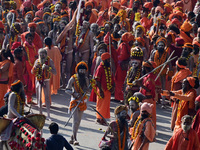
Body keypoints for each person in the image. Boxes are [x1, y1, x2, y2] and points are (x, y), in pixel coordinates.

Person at [65, 61, 89, 146]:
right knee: (75, 121)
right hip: (74, 101)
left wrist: (87, 89)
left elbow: (87, 89)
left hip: (82, 101)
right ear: (77, 70)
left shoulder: (86, 79)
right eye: (81, 70)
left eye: (83, 71)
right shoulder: (73, 78)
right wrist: (73, 93)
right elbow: (67, 89)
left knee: (78, 121)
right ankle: (75, 139)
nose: (82, 72)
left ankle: (72, 137)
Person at [32, 48, 56, 121]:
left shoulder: (50, 61)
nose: (41, 56)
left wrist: (48, 68)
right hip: (38, 81)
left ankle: (48, 115)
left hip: (46, 80)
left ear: (46, 55)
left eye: (43, 54)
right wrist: (35, 68)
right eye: (40, 54)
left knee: (47, 98)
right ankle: (40, 114)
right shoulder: (37, 61)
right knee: (38, 97)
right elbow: (32, 72)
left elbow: (55, 72)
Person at [149, 37, 173, 108]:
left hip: (162, 73)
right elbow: (150, 61)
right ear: (157, 46)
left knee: (163, 87)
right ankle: (153, 100)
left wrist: (170, 74)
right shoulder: (153, 52)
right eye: (159, 45)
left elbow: (170, 64)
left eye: (162, 46)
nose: (161, 47)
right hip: (154, 72)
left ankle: (163, 102)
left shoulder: (166, 54)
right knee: (153, 86)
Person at [170, 58, 192, 131]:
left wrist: (177, 96)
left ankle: (177, 128)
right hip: (177, 95)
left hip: (180, 97)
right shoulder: (180, 72)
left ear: (179, 66)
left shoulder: (183, 74)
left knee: (178, 113)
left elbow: (180, 86)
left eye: (176, 65)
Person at [94, 52, 114, 125]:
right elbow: (97, 80)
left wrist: (113, 86)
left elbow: (112, 77)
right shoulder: (100, 68)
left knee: (106, 106)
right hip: (102, 89)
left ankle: (103, 118)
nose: (109, 61)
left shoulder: (109, 68)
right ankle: (99, 118)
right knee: (100, 105)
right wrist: (101, 91)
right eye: (108, 60)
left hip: (108, 89)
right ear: (104, 60)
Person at [114, 32, 134, 102]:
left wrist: (115, 57)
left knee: (119, 81)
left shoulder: (123, 45)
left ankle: (119, 97)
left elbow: (123, 56)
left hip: (121, 66)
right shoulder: (128, 45)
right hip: (125, 66)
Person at [43, 37, 62, 104]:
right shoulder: (56, 49)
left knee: (46, 87)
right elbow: (60, 58)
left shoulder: (44, 50)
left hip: (46, 72)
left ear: (45, 43)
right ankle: (48, 102)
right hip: (54, 71)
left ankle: (47, 102)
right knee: (49, 86)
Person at [23, 33, 38, 104]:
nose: (30, 40)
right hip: (26, 68)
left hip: (32, 67)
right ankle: (27, 100)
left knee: (31, 83)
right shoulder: (24, 47)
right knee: (28, 83)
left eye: (31, 39)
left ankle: (29, 99)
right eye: (28, 39)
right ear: (25, 39)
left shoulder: (33, 46)